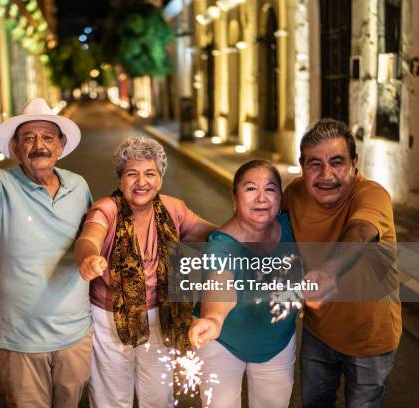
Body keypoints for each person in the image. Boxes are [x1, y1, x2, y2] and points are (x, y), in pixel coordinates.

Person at [0, 98, 92, 407]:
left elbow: (92, 237)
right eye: (29, 138)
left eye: (47, 137)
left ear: (60, 146)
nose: (39, 145)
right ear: (16, 147)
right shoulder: (3, 184)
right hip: (20, 339)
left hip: (75, 335)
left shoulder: (78, 186)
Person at [75, 136, 217, 408]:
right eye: (132, 174)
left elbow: (212, 234)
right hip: (110, 317)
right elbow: (89, 237)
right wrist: (89, 258)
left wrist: (248, 237)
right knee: (112, 398)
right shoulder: (107, 209)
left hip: (159, 314)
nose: (142, 182)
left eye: (150, 173)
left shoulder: (173, 208)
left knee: (157, 396)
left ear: (160, 179)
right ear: (120, 179)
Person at [282, 118, 401, 407]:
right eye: (315, 164)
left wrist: (328, 270)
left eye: (337, 162)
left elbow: (359, 232)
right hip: (318, 334)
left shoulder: (372, 195)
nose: (327, 175)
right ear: (302, 165)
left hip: (371, 339)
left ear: (354, 163)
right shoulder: (295, 195)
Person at [189, 159, 298, 408]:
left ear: (280, 198)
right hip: (223, 341)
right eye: (250, 189)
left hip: (277, 341)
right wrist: (213, 318)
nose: (261, 198)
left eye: (270, 189)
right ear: (234, 198)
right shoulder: (221, 244)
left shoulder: (291, 228)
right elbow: (221, 284)